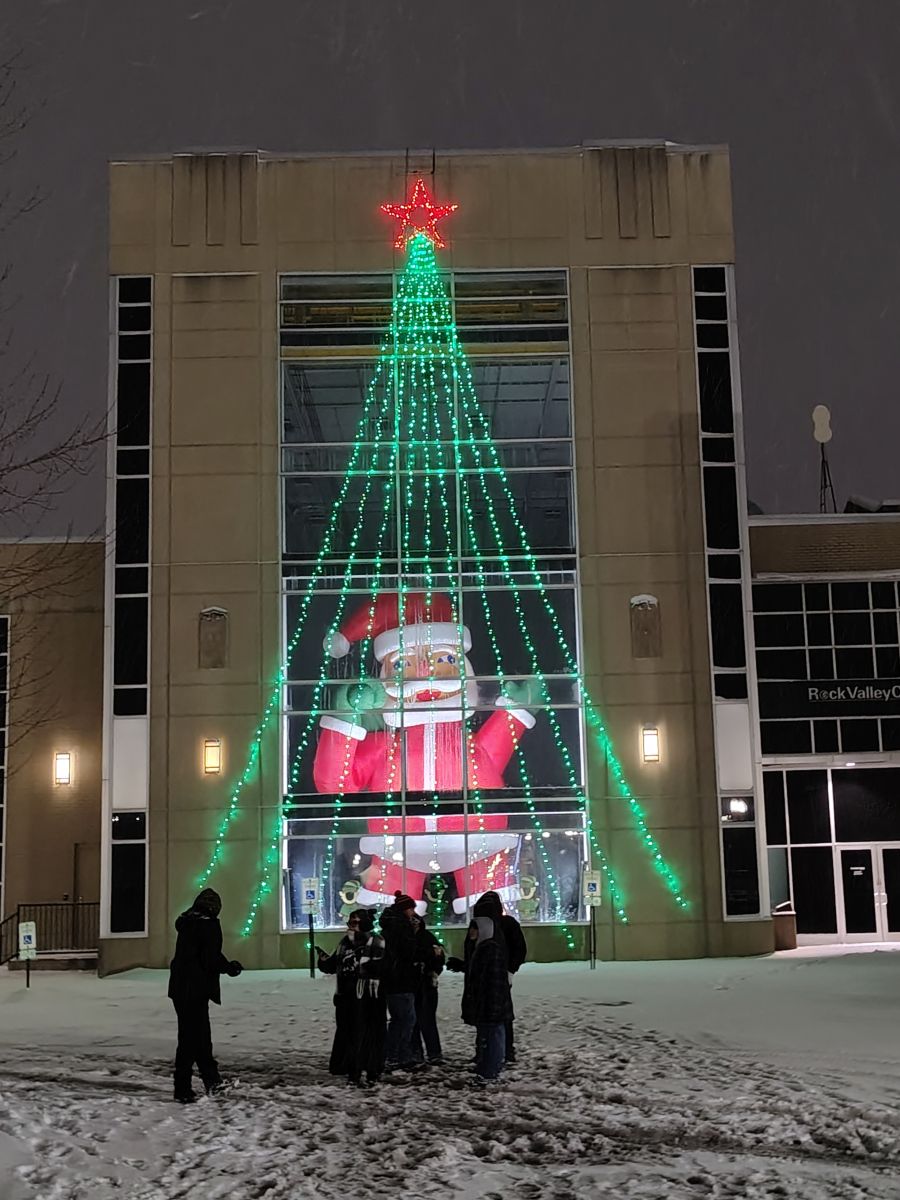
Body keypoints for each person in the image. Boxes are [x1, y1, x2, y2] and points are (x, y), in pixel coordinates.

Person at [167, 887, 242, 1104]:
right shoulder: (207, 925)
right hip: (196, 988)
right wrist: (230, 967)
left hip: (180, 987)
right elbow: (210, 957)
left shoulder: (187, 923)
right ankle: (183, 1088)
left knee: (197, 1037)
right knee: (193, 1039)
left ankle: (211, 1082)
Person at [317, 909, 386, 1086]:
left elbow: (376, 967)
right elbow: (334, 965)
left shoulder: (375, 940)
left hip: (369, 997)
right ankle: (351, 1067)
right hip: (346, 996)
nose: (352, 927)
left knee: (367, 1034)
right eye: (350, 923)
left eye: (356, 923)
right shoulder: (344, 943)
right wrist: (324, 961)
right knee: (348, 1033)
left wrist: (355, 964)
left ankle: (369, 1069)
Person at [472, 890, 527, 1063]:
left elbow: (519, 949)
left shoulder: (503, 925)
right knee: (492, 1015)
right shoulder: (496, 924)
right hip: (492, 974)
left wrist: (510, 970)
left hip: (498, 974)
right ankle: (491, 1052)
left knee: (496, 1015)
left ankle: (499, 1052)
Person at [461, 916, 512, 1084]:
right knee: (488, 1037)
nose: (471, 932)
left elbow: (495, 980)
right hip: (486, 1001)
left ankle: (490, 1072)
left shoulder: (490, 950)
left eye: (475, 929)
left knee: (493, 1037)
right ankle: (487, 1069)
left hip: (491, 1002)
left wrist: (491, 1004)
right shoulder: (482, 948)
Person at [379, 891, 423, 1073]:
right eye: (412, 909)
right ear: (406, 909)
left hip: (391, 981)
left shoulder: (388, 928)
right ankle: (399, 1056)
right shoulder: (402, 929)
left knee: (398, 1020)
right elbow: (408, 953)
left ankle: (393, 1055)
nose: (414, 913)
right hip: (402, 980)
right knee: (406, 1020)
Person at [411, 915, 445, 1066]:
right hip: (414, 983)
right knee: (415, 1020)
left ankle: (432, 1052)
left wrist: (434, 971)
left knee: (426, 1019)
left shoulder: (426, 938)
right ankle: (420, 1051)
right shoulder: (412, 938)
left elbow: (439, 958)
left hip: (426, 983)